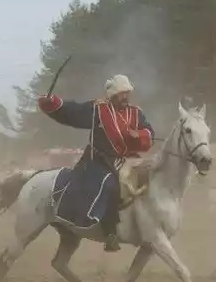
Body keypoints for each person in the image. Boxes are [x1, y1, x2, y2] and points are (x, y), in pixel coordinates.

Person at [37, 74, 154, 252]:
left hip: (127, 160)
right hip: (98, 161)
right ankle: (110, 233)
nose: (126, 97)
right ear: (113, 95)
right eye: (122, 93)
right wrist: (53, 104)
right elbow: (72, 112)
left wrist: (141, 135)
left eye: (127, 93)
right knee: (111, 184)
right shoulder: (98, 109)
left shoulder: (135, 113)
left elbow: (149, 132)